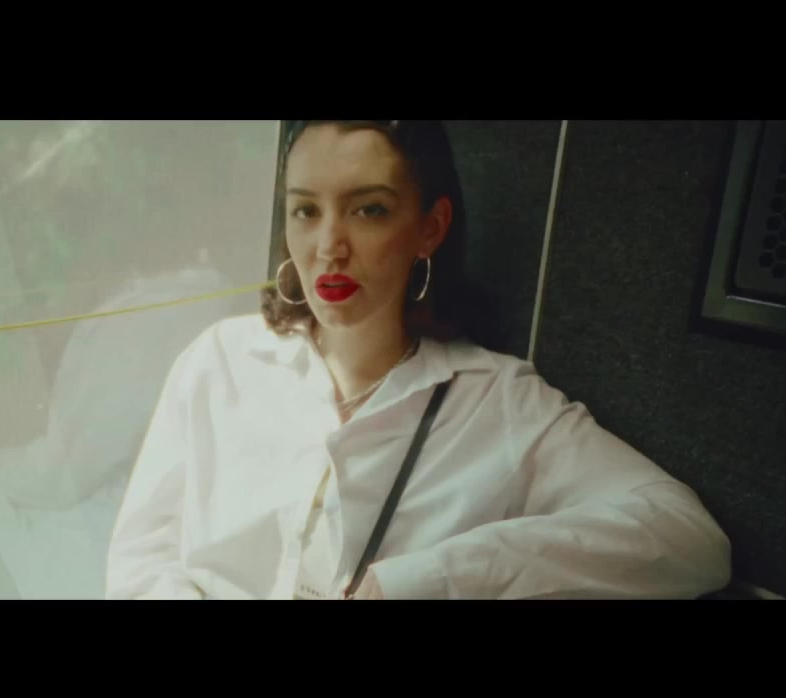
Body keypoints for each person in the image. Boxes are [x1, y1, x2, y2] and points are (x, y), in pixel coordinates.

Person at [105, 120, 732, 600]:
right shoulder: (219, 363)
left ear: (430, 227)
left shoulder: (498, 401)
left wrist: (425, 580)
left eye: (368, 209)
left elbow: (690, 539)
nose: (329, 246)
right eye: (306, 210)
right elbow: (141, 559)